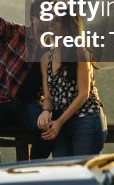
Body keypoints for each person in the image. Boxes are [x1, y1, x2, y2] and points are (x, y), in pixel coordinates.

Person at [0, 0, 52, 164]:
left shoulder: (53, 50)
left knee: (47, 131)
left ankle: (31, 171)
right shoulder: (16, 33)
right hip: (0, 100)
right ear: (34, 19)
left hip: (29, 104)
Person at [37, 9, 108, 157]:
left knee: (85, 171)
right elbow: (48, 97)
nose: (51, 23)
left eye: (57, 20)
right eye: (51, 19)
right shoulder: (45, 58)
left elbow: (84, 94)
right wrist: (46, 111)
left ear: (68, 25)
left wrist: (60, 122)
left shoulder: (80, 52)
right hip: (60, 123)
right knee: (62, 170)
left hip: (86, 118)